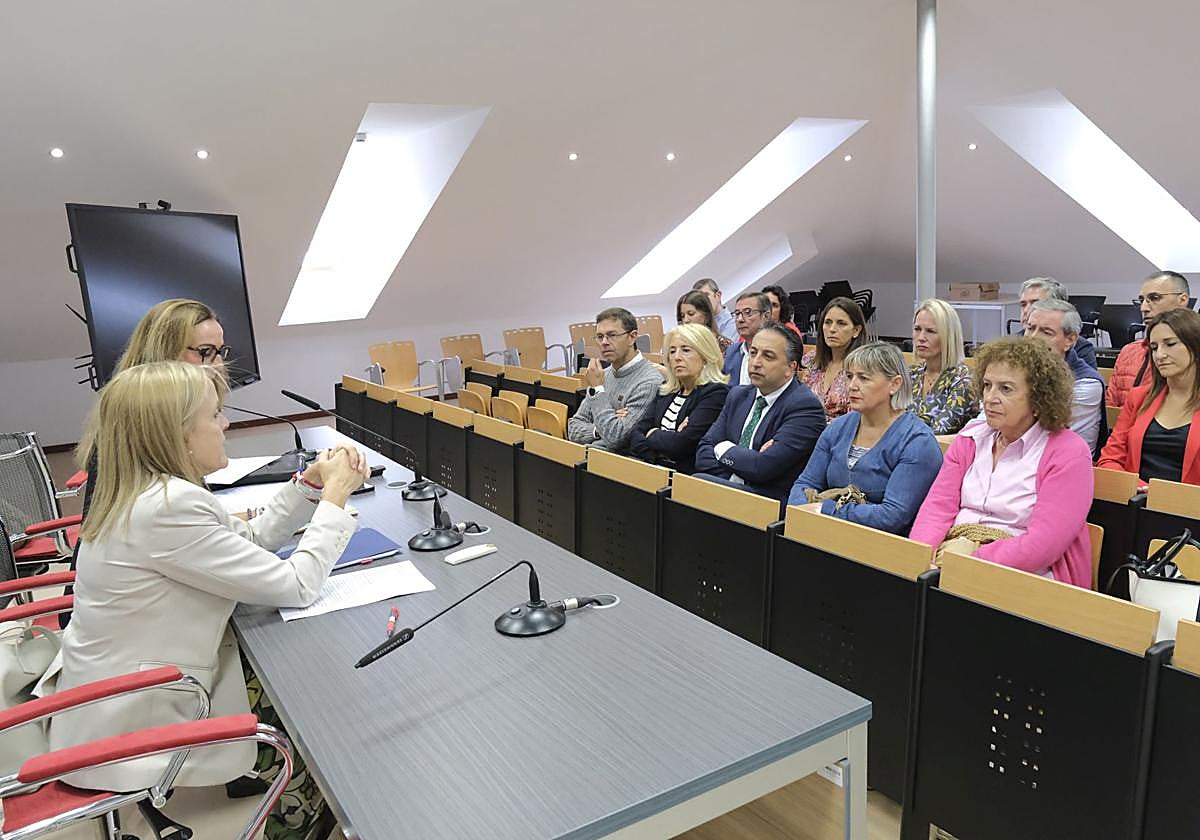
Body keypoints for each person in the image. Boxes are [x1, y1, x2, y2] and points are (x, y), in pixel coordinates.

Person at [46, 362, 369, 825]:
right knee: (322, 732)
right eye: (215, 414)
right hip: (131, 720)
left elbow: (248, 545)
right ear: (177, 434)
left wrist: (310, 486)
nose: (226, 424)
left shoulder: (151, 492)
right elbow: (298, 585)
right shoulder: (166, 507)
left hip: (111, 699)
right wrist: (337, 495)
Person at [909, 338, 1094, 587]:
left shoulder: (1068, 451)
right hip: (951, 558)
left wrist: (969, 561)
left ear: (1039, 398)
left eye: (1005, 389)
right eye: (987, 386)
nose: (990, 398)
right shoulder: (970, 439)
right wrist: (923, 557)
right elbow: (936, 509)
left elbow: (1042, 546)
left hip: (1027, 576)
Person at [789, 342, 941, 535]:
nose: (852, 386)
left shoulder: (918, 442)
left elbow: (892, 517)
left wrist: (824, 509)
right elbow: (804, 484)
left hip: (879, 548)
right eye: (850, 376)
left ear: (895, 384)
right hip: (824, 533)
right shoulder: (838, 428)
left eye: (864, 378)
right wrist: (803, 509)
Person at [695, 324, 826, 502]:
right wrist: (740, 472)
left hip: (768, 504)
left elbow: (762, 467)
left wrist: (723, 448)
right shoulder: (738, 395)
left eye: (768, 356)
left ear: (790, 367)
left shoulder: (805, 407)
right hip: (728, 490)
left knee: (698, 486)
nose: (756, 362)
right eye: (753, 353)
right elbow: (703, 454)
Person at [1098, 308, 1200, 485]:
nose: (1160, 355)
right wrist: (1142, 489)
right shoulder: (1139, 397)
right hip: (1137, 503)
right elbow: (1109, 460)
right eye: (1154, 347)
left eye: (1170, 344)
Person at [629, 324, 730, 474]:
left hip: (686, 479)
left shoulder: (716, 393)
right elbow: (636, 435)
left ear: (705, 356)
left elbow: (683, 444)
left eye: (686, 350)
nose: (676, 357)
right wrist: (661, 450)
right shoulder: (666, 390)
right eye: (672, 351)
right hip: (654, 470)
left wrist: (653, 433)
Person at [567, 307, 663, 452]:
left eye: (612, 335)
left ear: (632, 337)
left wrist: (599, 391)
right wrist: (599, 430)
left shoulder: (649, 382)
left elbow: (616, 438)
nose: (604, 342)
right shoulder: (601, 376)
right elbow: (573, 429)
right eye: (600, 337)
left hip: (616, 465)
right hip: (588, 457)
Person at [1026, 299, 1105, 457]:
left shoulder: (1086, 383)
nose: (1033, 338)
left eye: (1046, 332)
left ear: (1070, 340)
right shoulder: (1013, 369)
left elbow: (1045, 440)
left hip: (1061, 464)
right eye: (1030, 328)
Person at [1107, 271, 1192, 407]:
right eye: (1142, 300)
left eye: (1155, 298)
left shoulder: (1194, 350)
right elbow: (1111, 405)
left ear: (1182, 300)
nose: (1144, 308)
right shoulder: (1128, 352)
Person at [908, 298, 976, 435]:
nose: (921, 337)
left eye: (930, 331)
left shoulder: (963, 380)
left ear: (949, 336)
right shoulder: (911, 374)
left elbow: (939, 431)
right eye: (917, 329)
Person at [801, 297, 867, 421]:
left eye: (841, 323)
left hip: (842, 434)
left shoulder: (864, 368)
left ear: (856, 330)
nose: (832, 329)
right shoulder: (812, 361)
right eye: (828, 322)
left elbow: (858, 418)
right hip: (806, 429)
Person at [1017, 277, 1097, 368]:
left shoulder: (1081, 348)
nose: (1027, 310)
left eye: (1036, 304)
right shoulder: (1013, 342)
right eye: (1023, 305)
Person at [722, 290, 770, 386]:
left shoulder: (774, 353)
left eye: (748, 313)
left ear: (766, 316)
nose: (740, 319)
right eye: (737, 314)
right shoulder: (732, 351)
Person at [693, 277, 737, 342]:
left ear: (718, 296)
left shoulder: (735, 323)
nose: (702, 301)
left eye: (706, 295)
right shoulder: (698, 327)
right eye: (698, 298)